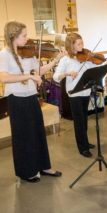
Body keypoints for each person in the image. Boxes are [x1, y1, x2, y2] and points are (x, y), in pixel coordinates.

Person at [0, 21, 64, 182]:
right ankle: (27, 171)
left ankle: (44, 166)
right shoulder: (4, 54)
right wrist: (28, 76)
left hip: (31, 97)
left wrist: (56, 60)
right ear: (13, 36)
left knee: (38, 133)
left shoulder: (28, 52)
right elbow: (3, 77)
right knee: (23, 136)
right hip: (16, 100)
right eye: (24, 35)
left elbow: (38, 71)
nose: (27, 38)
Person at [53, 32, 98, 158]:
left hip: (85, 92)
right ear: (71, 46)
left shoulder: (85, 57)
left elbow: (95, 65)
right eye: (79, 44)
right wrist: (67, 73)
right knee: (79, 122)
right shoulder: (65, 60)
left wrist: (104, 61)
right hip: (74, 94)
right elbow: (56, 77)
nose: (82, 45)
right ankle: (82, 147)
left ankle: (86, 142)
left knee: (84, 120)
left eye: (82, 42)